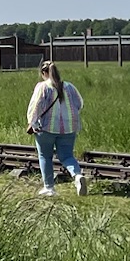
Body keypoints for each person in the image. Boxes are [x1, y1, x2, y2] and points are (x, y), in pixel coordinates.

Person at [25, 61, 86, 197]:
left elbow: (36, 106)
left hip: (46, 128)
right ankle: (77, 176)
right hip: (69, 127)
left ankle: (49, 188)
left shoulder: (43, 87)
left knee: (45, 156)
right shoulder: (69, 86)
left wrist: (32, 123)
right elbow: (80, 104)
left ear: (43, 73)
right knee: (67, 156)